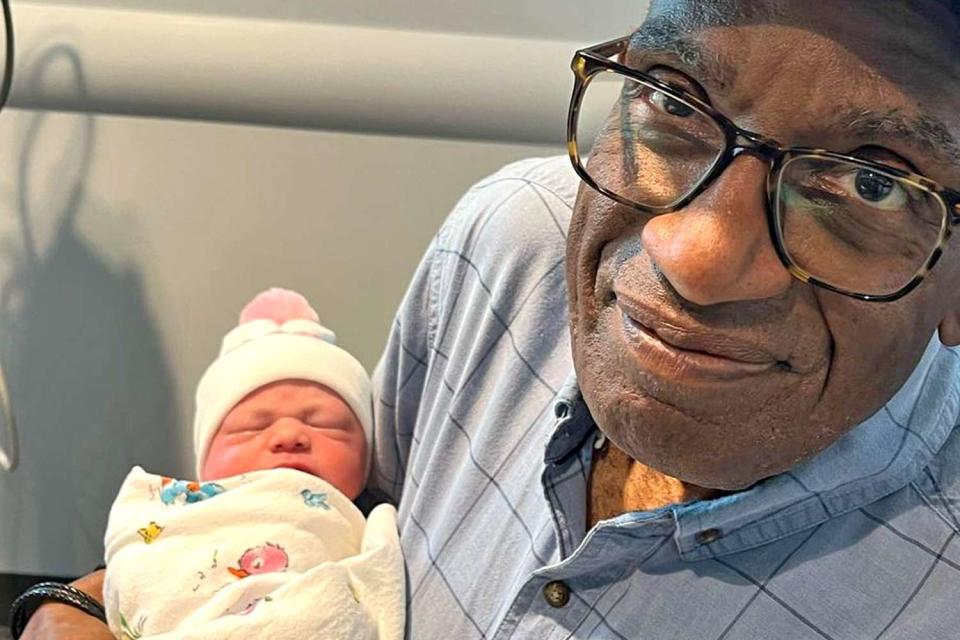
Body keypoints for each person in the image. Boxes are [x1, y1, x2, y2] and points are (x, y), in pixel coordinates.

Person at [19, 0, 960, 638]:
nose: (696, 256)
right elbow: (343, 523)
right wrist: (82, 602)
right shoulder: (514, 245)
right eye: (674, 100)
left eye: (871, 181)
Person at [101, 288, 404, 639]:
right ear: (205, 461)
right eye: (253, 427)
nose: (290, 435)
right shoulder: (170, 513)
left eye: (325, 424)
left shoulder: (375, 524)